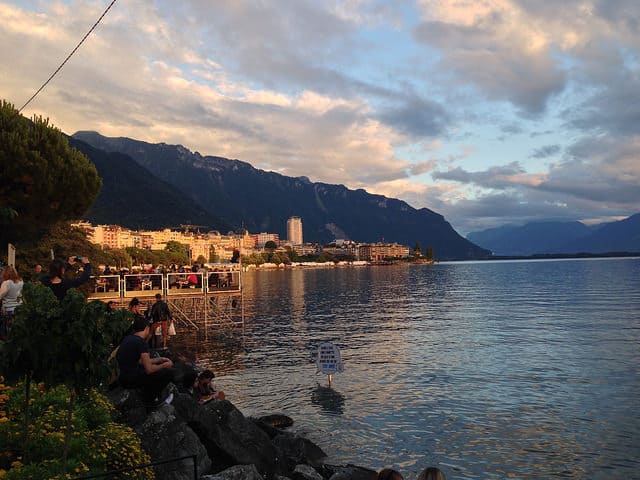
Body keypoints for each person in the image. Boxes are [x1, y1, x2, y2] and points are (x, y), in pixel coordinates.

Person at [116, 315, 175, 406]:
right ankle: (151, 399)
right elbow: (149, 370)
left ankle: (145, 394)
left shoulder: (128, 338)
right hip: (131, 380)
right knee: (168, 373)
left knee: (153, 368)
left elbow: (139, 361)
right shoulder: (141, 342)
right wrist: (164, 365)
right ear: (147, 328)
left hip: (122, 377)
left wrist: (160, 359)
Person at [0, 266, 23, 339]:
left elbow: (0, 295)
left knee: (9, 334)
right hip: (20, 308)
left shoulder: (6, 283)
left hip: (9, 310)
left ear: (5, 273)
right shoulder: (21, 282)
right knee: (18, 332)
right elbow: (21, 295)